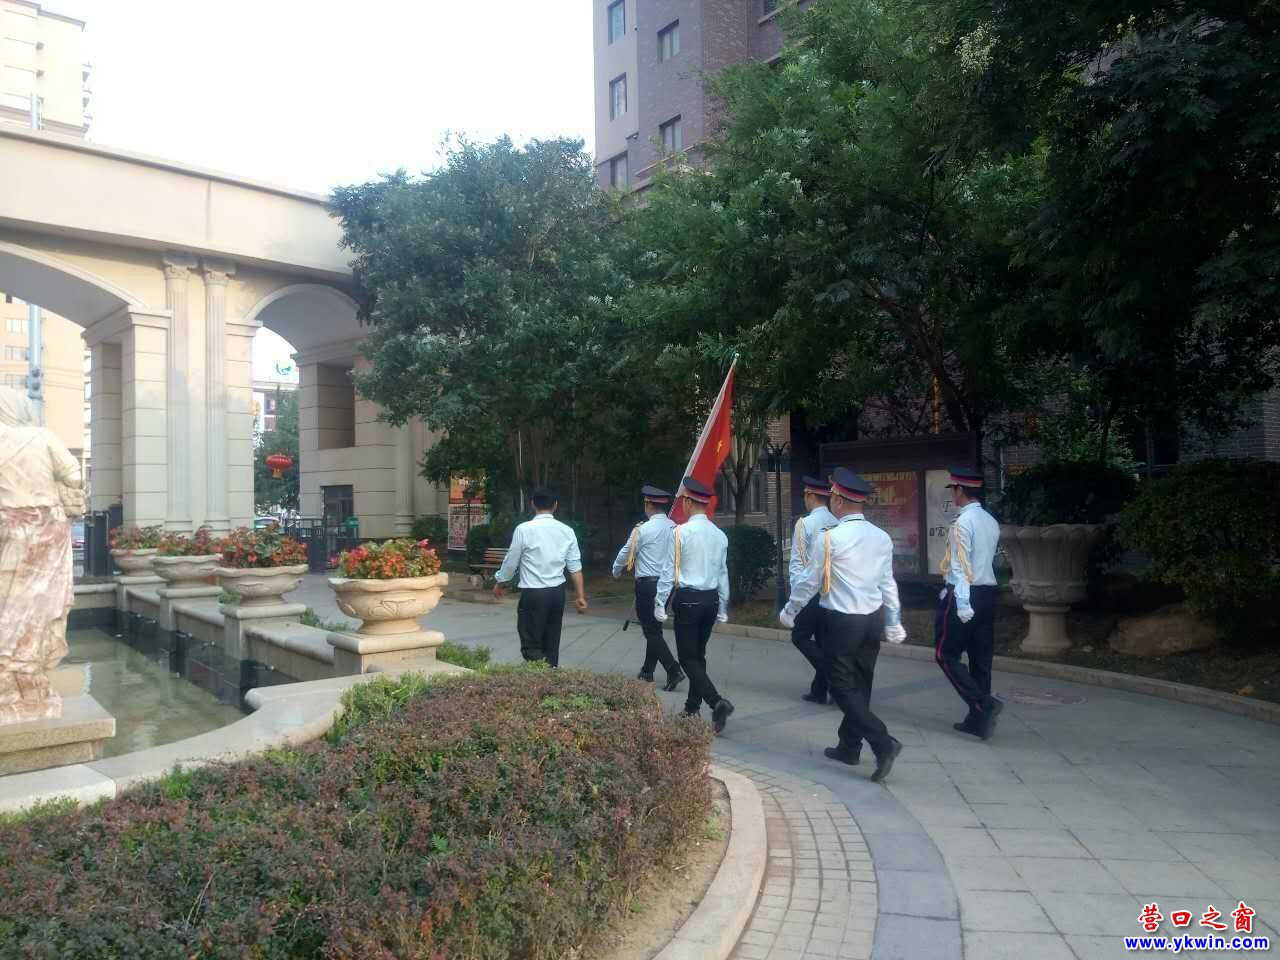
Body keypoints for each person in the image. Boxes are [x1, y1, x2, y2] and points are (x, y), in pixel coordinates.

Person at [781, 467, 904, 783]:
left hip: (842, 620)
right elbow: (887, 582)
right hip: (872, 619)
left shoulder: (830, 538)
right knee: (861, 684)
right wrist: (893, 620)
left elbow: (810, 581)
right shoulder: (881, 536)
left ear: (837, 500)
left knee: (840, 686)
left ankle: (883, 742)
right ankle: (849, 746)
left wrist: (791, 610)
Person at [0, 388, 85, 723]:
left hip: (6, 527)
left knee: (7, 598)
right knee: (39, 603)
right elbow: (74, 475)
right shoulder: (42, 437)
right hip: (45, 529)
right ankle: (23, 669)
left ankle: (8, 675)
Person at [654, 477, 734, 733]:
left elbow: (669, 570)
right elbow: (723, 573)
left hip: (688, 600)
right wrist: (723, 607)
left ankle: (716, 702)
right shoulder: (720, 535)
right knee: (698, 655)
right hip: (711, 600)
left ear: (688, 502)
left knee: (688, 658)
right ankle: (691, 707)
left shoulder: (680, 532)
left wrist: (660, 602)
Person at [934, 465, 1003, 739]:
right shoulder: (990, 520)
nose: (953, 494)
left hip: (966, 593)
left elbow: (961, 567)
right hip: (987, 593)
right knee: (980, 659)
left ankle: (983, 704)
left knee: (945, 654)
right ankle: (978, 720)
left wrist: (962, 604)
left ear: (960, 490)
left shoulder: (963, 523)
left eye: (953, 489)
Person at [493, 486, 587, 666]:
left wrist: (500, 582)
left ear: (532, 504)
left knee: (531, 646)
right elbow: (575, 567)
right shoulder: (567, 531)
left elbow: (511, 561)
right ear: (555, 505)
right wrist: (580, 596)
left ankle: (546, 674)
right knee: (551, 644)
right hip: (557, 594)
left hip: (534, 594)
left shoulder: (524, 529)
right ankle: (550, 675)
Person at [612, 485, 685, 691]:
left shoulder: (642, 530)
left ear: (648, 504)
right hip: (667, 586)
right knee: (655, 629)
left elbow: (626, 553)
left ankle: (673, 670)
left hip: (647, 586)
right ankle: (647, 671)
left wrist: (616, 571)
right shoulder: (675, 528)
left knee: (650, 631)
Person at [789, 475, 840, 703]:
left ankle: (834, 677)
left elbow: (797, 563)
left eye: (805, 495)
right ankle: (819, 691)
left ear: (810, 496)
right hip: (832, 592)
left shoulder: (805, 523)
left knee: (799, 636)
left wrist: (795, 599)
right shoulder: (837, 521)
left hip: (810, 592)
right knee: (822, 641)